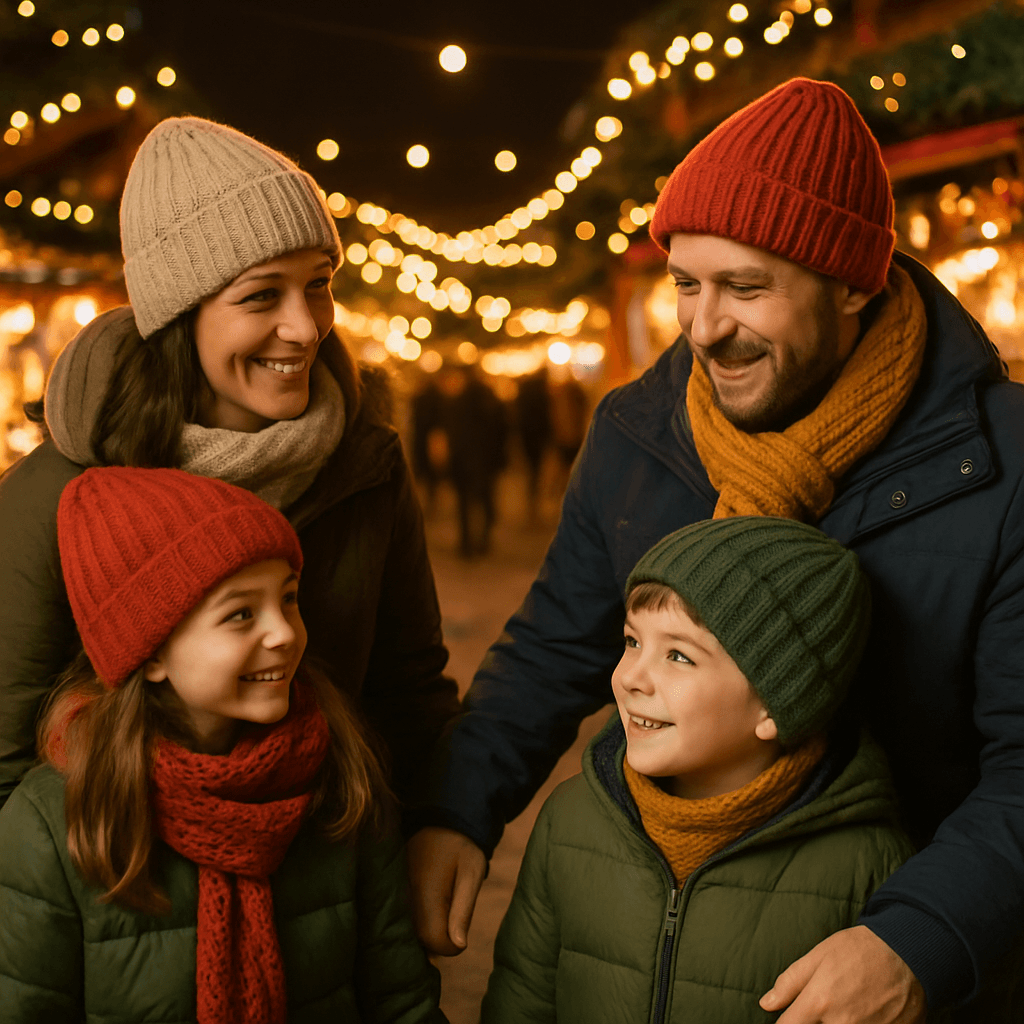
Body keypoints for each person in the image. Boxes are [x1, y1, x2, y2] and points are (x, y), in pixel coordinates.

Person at [409, 78, 1024, 1023]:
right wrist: (458, 808)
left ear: (853, 280)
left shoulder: (1003, 462)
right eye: (686, 285)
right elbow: (554, 647)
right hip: (662, 937)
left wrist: (921, 936)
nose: (704, 328)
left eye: (746, 287)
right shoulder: (640, 430)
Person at [0, 116, 458, 810]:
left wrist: (431, 834)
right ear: (179, 314)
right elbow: (7, 754)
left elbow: (409, 693)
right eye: (260, 295)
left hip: (338, 884)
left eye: (318, 283)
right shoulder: (61, 492)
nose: (304, 327)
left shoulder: (364, 462)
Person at [0, 467, 444, 1022]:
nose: (283, 632)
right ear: (152, 653)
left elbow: (399, 998)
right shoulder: (57, 822)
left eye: (289, 598)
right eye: (240, 614)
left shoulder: (339, 781)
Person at [482, 516, 914, 1023]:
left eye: (679, 656)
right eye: (632, 641)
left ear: (777, 702)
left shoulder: (868, 863)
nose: (630, 678)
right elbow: (520, 1000)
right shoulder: (570, 822)